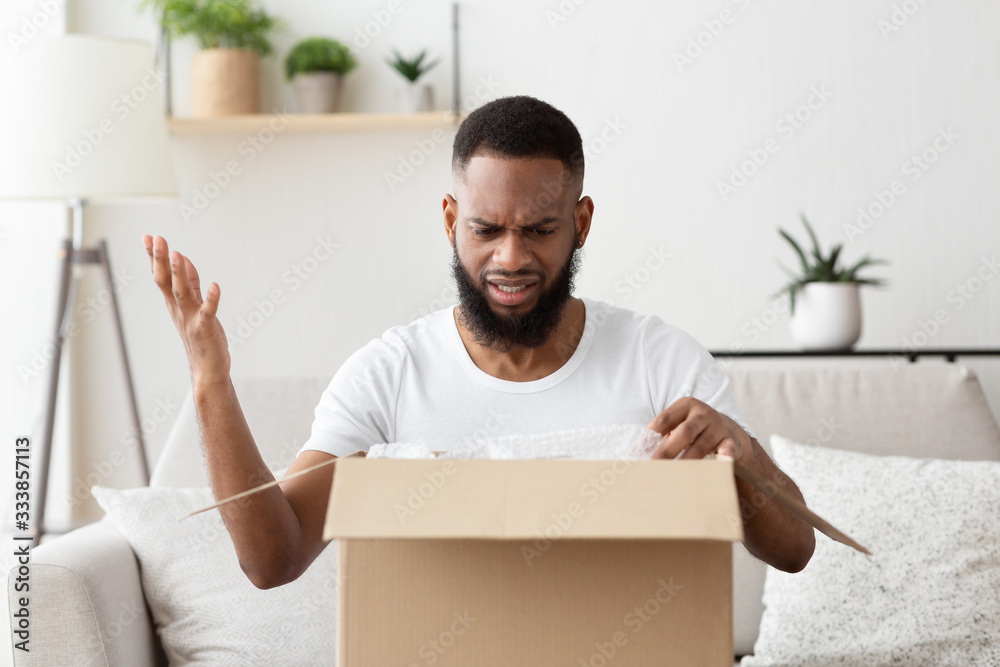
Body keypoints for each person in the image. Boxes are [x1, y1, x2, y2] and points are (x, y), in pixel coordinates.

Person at [142, 95, 814, 590]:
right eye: (485, 229)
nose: (510, 258)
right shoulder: (389, 373)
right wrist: (211, 385)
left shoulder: (659, 360)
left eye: (540, 229)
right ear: (450, 220)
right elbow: (272, 559)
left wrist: (739, 449)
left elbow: (794, 549)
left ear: (581, 222)